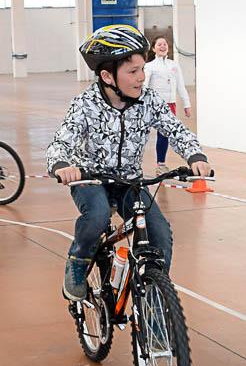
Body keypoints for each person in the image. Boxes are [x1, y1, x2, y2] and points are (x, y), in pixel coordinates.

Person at [45, 25, 211, 301]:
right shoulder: (86, 104)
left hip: (130, 181)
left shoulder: (148, 101)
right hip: (90, 179)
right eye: (132, 72)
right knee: (96, 216)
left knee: (159, 233)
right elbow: (62, 141)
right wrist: (61, 165)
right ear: (107, 75)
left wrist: (195, 156)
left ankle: (154, 301)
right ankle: (77, 261)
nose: (141, 78)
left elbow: (176, 130)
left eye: (142, 70)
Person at [144, 36, 192, 174]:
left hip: (170, 105)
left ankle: (161, 164)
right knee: (142, 133)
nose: (163, 46)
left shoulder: (173, 65)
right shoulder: (149, 66)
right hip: (154, 105)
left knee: (164, 134)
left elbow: (181, 86)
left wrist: (186, 104)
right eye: (159, 44)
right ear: (153, 49)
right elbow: (144, 87)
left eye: (165, 44)